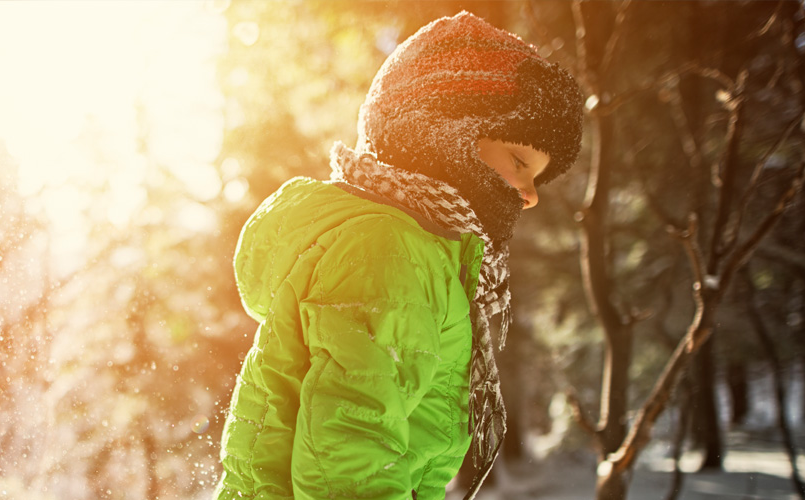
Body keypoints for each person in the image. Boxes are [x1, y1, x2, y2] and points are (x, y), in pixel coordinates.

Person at [213, 11, 584, 500]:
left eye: (537, 178)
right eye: (520, 162)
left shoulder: (420, 250)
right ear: (447, 130)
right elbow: (348, 447)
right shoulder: (388, 252)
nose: (530, 195)